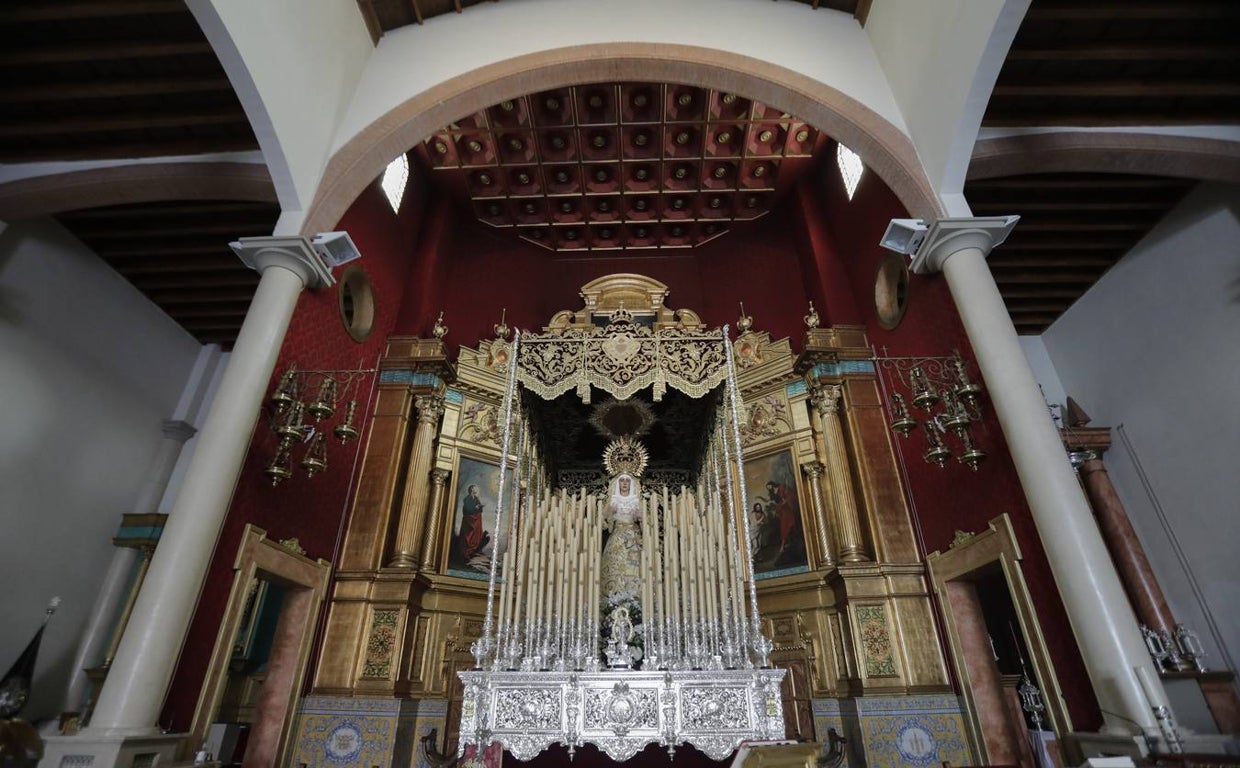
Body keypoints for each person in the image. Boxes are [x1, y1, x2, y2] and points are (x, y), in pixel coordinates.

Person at [600, 473, 643, 605]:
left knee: (633, 564)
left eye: (627, 481)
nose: (624, 483)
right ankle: (614, 594)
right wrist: (609, 513)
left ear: (631, 484)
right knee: (615, 562)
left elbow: (648, 523)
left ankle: (634, 595)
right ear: (618, 484)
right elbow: (601, 522)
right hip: (617, 535)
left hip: (633, 536)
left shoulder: (636, 501)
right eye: (622, 480)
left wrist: (641, 517)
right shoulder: (612, 501)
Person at [456, 484, 489, 564]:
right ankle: (466, 553)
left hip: (476, 520)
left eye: (476, 489)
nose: (476, 490)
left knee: (476, 534)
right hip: (469, 520)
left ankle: (473, 550)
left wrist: (480, 506)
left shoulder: (476, 498)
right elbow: (467, 509)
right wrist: (475, 507)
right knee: (467, 535)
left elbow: (479, 509)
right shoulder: (467, 499)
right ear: (471, 490)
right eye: (475, 489)